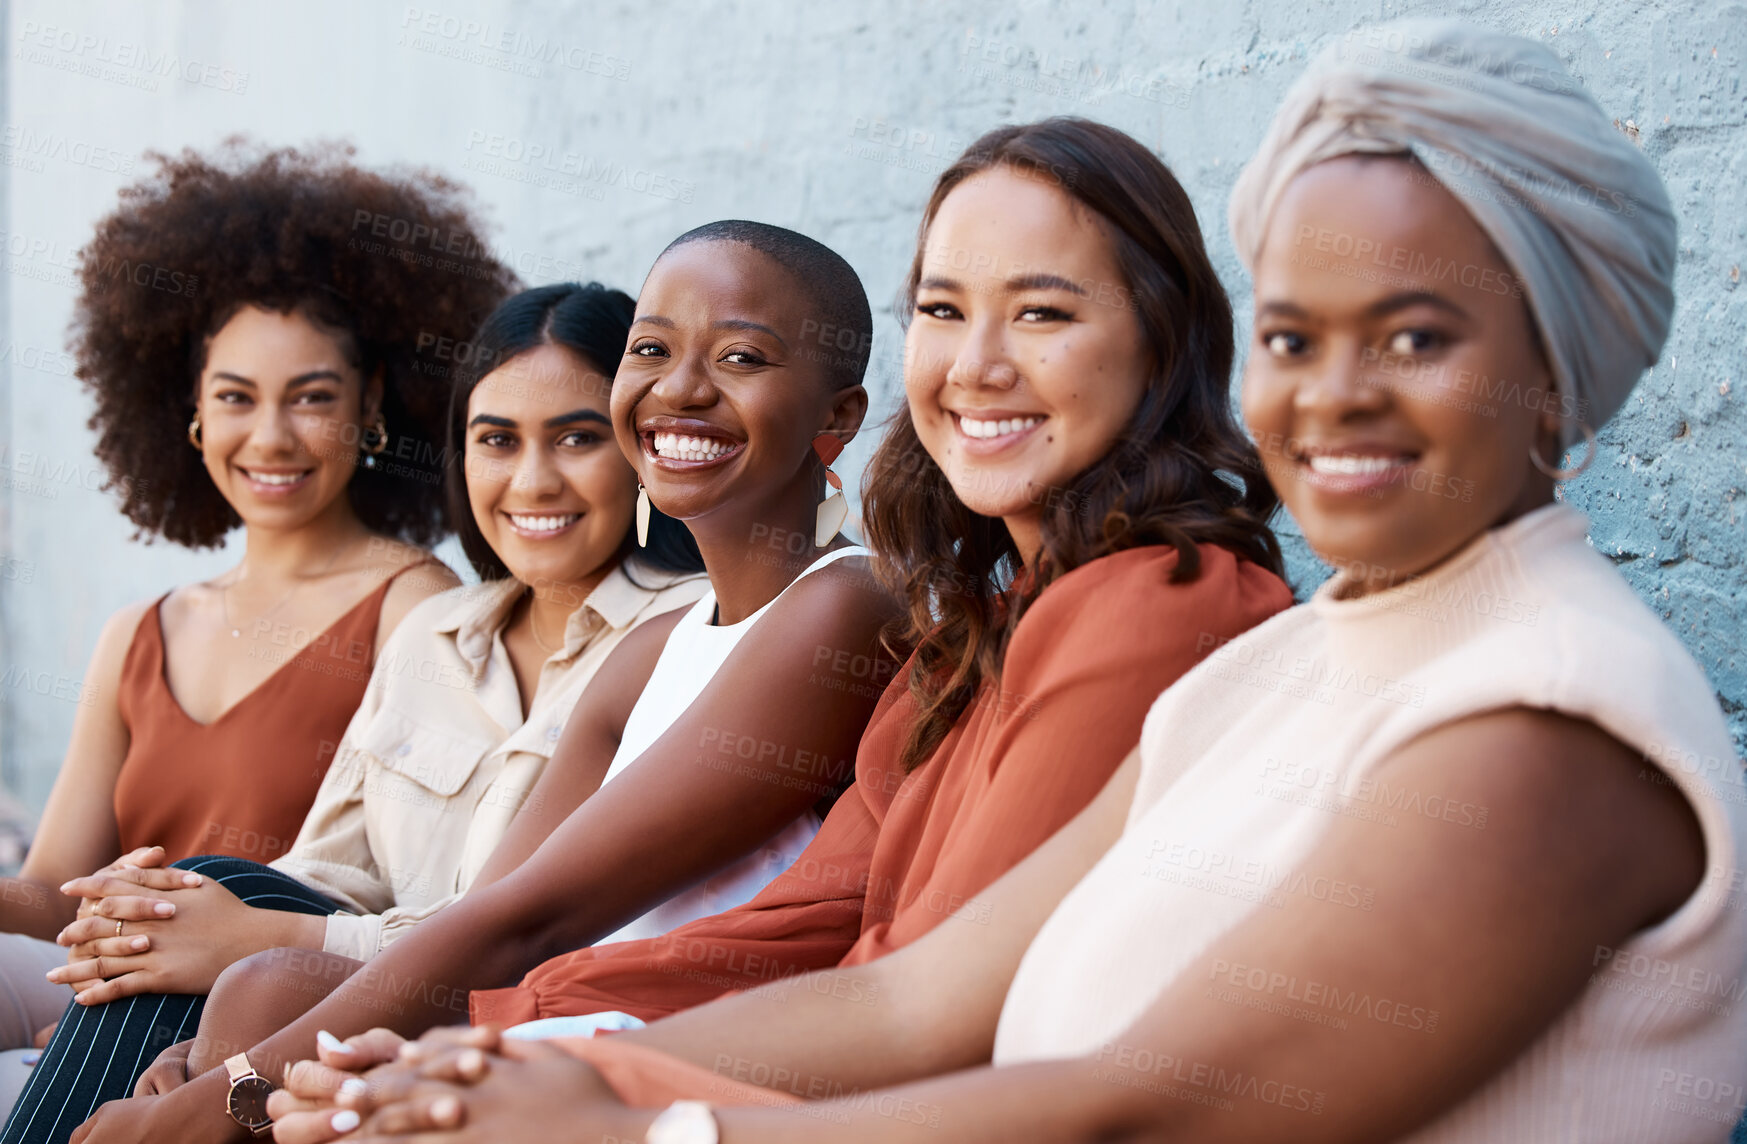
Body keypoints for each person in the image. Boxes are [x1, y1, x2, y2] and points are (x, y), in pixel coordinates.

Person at [288, 22, 1747, 1144]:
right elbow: (914, 991)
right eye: (1295, 338)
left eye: (1414, 338)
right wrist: (521, 1068)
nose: (1332, 396)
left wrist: (637, 1121)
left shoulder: (1547, 717)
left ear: (1559, 374)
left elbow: (1136, 1107)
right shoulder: (1290, 664)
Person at [270, 113, 1294, 1139]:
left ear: (1161, 340)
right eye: (942, 310)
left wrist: (553, 1067)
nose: (976, 364)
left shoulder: (1158, 600)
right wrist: (501, 1046)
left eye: (1039, 314)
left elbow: (941, 1015)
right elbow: (801, 936)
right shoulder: (971, 633)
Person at [55, 222, 907, 1144]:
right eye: (652, 350)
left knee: (257, 1008)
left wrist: (216, 1095)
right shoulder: (657, 644)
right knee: (261, 987)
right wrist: (221, 1073)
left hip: (655, 1046)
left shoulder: (840, 606)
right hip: (547, 1014)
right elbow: (478, 917)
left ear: (838, 419)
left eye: (740, 356)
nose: (682, 388)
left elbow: (531, 919)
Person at [0, 283, 710, 1141]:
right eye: (496, 441)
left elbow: (520, 931)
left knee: (238, 936)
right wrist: (172, 916)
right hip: (319, 997)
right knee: (199, 901)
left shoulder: (682, 638)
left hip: (496, 1009)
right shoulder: (437, 633)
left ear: (639, 446)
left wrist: (246, 937)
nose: (533, 479)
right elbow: (329, 870)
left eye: (577, 438)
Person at [0, 141, 512, 1098]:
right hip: (107, 988)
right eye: (236, 397)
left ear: (373, 406)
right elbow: (56, 888)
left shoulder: (417, 608)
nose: (269, 437)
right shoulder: (140, 631)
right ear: (189, 412)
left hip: (261, 1004)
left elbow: (424, 892)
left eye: (311, 398)